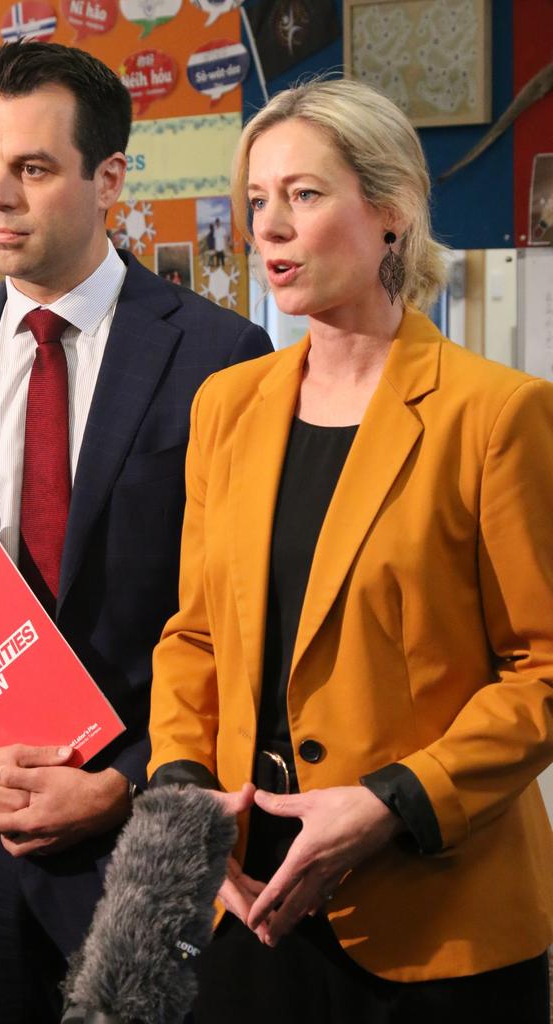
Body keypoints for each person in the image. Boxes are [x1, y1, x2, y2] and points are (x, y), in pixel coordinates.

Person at [0, 41, 271, 1024]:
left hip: (144, 862)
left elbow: (245, 631)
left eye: (34, 169)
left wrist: (124, 785)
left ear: (109, 178)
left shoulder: (224, 358)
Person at [147, 77, 553, 1023]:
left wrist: (393, 802)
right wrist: (184, 794)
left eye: (304, 194)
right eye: (256, 201)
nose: (270, 228)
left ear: (391, 214)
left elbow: (541, 668)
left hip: (438, 918)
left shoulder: (496, 415)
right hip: (248, 904)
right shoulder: (227, 407)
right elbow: (195, 637)